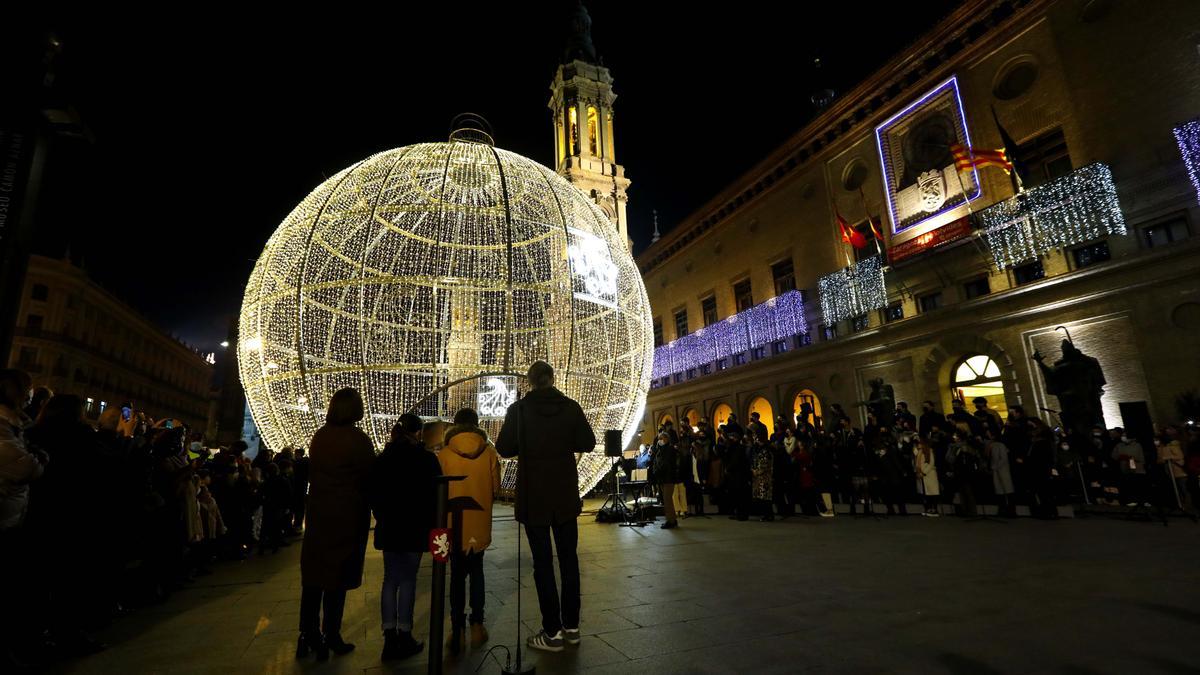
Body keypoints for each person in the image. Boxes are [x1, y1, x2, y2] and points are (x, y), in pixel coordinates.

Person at [496, 361, 595, 653]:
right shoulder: (570, 407)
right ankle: (572, 628)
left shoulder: (520, 410)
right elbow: (587, 443)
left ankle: (551, 632)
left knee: (543, 565)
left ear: (530, 382)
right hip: (564, 497)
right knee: (569, 562)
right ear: (552, 379)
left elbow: (504, 448)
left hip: (534, 499)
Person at [297, 388, 376, 660]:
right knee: (337, 580)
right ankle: (331, 634)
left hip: (319, 516)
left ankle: (307, 635)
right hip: (347, 517)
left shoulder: (320, 436)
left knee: (313, 579)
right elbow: (369, 480)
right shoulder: (359, 440)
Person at [371, 414, 439, 661]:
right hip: (414, 527)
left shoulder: (383, 459)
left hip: (389, 526)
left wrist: (382, 515)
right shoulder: (426, 459)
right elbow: (436, 495)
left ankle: (389, 637)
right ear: (418, 432)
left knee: (390, 579)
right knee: (408, 579)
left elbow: (374, 493)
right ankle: (405, 634)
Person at [439, 408, 501, 653]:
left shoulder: (442, 455)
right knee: (477, 573)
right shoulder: (489, 452)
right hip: (478, 523)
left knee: (456, 576)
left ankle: (457, 629)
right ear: (477, 425)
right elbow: (495, 487)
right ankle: (477, 624)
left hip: (454, 524)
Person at [1110, 428, 1146, 506]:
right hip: (1124, 468)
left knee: (1138, 485)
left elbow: (1138, 456)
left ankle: (1141, 501)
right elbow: (1114, 456)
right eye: (1123, 435)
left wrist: (1128, 457)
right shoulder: (1119, 445)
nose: (1124, 437)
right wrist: (1121, 457)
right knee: (1128, 485)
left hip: (1137, 469)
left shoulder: (1137, 445)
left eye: (1126, 435)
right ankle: (1130, 500)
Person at [650, 432, 680, 528]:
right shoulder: (660, 449)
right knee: (666, 500)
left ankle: (670, 521)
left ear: (667, 439)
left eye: (661, 438)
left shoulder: (669, 449)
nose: (660, 440)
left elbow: (666, 463)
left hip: (668, 478)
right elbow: (656, 461)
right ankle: (672, 519)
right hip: (662, 478)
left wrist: (658, 470)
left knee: (667, 500)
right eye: (659, 438)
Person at [986, 427, 1015, 517]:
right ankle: (1006, 510)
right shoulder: (995, 445)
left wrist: (994, 467)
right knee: (1003, 490)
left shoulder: (998, 445)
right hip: (1000, 470)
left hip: (1001, 470)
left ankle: (1008, 510)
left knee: (1004, 490)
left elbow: (1003, 458)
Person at [914, 438, 940, 516]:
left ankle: (934, 510)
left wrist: (924, 472)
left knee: (933, 493)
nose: (918, 445)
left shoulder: (929, 451)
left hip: (929, 475)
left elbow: (931, 463)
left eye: (920, 443)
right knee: (926, 493)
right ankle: (928, 509)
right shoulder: (919, 452)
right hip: (922, 475)